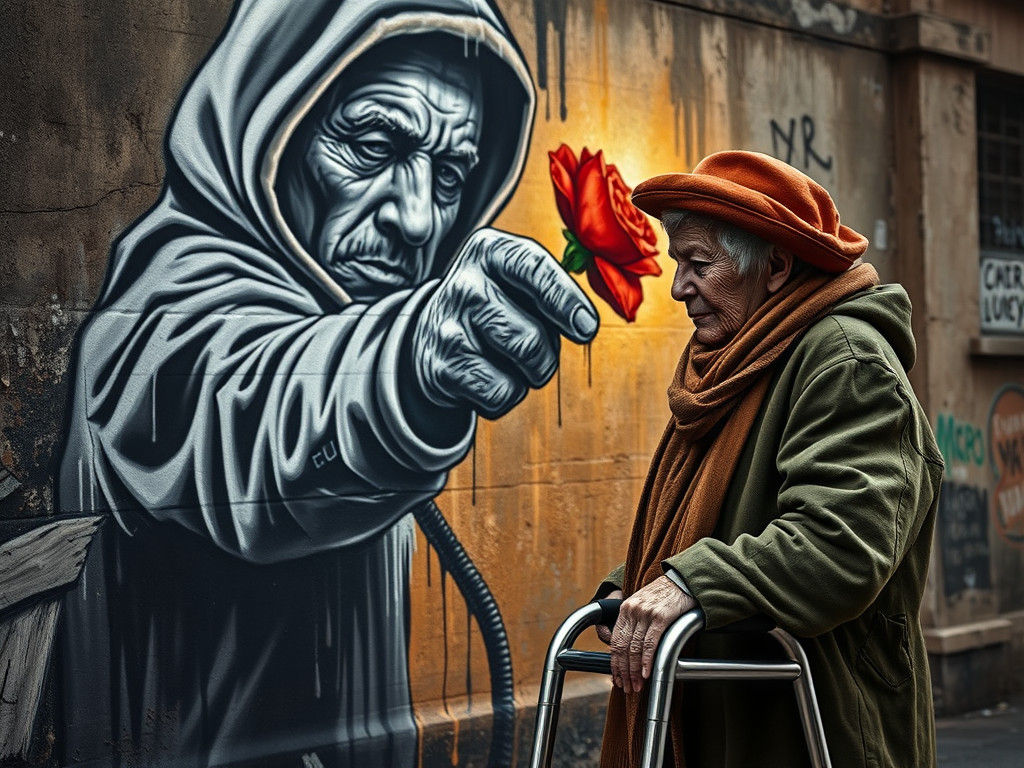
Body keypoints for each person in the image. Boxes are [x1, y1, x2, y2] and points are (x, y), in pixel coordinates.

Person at [57, 1, 597, 766]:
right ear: (269, 125)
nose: (419, 219)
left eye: (450, 175)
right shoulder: (162, 309)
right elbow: (245, 412)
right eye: (373, 145)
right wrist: (402, 369)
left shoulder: (347, 320)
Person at [594, 151, 943, 768]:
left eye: (700, 264)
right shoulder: (742, 358)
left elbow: (840, 545)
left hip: (820, 728)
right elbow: (722, 517)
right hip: (729, 711)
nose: (679, 288)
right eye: (678, 263)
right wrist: (637, 584)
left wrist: (688, 584)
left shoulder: (846, 361)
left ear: (776, 267)